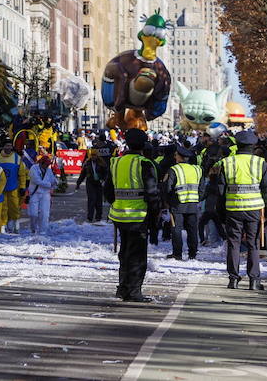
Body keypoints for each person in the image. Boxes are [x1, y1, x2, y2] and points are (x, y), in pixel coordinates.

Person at [107, 128, 160, 303]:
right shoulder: (145, 163)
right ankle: (134, 291)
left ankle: (122, 288)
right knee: (137, 256)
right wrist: (155, 217)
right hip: (139, 216)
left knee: (125, 253)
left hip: (120, 216)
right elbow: (152, 193)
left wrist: (117, 202)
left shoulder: (116, 162)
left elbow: (106, 189)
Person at [218, 130, 267, 290]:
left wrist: (221, 213)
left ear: (237, 144)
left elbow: (220, 191)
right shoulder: (260, 163)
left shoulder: (227, 162)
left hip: (233, 208)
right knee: (253, 244)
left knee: (233, 244)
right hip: (254, 208)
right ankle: (254, 280)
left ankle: (233, 279)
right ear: (253, 145)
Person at [162, 146, 202, 260]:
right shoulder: (197, 169)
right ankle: (192, 254)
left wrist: (168, 201)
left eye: (176, 155)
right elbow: (202, 188)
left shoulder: (174, 169)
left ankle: (177, 253)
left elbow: (168, 188)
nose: (175, 157)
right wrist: (197, 198)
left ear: (180, 157)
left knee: (176, 229)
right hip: (193, 203)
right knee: (192, 229)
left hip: (177, 203)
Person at [0, 142, 28, 234]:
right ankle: (3, 225)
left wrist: (22, 187)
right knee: (3, 208)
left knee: (14, 207)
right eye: (6, 145)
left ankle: (16, 224)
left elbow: (22, 174)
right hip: (1, 188)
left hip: (13, 187)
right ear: (3, 146)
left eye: (10, 145)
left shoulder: (17, 158)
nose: (8, 147)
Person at [25, 153, 58, 234]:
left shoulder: (49, 170)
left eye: (48, 164)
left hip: (45, 194)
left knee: (44, 214)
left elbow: (53, 180)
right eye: (46, 164)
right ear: (41, 163)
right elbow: (37, 181)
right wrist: (49, 184)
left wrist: (55, 183)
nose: (47, 166)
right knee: (33, 214)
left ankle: (43, 231)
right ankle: (33, 229)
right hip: (34, 194)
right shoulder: (34, 168)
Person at [77, 148, 109, 223]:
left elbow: (106, 173)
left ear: (97, 156)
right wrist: (78, 183)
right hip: (90, 183)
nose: (93, 157)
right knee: (91, 200)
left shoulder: (102, 163)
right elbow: (82, 174)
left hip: (99, 183)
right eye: (92, 155)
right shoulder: (87, 163)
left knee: (98, 201)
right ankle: (90, 217)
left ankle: (98, 217)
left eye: (95, 155)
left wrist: (104, 180)